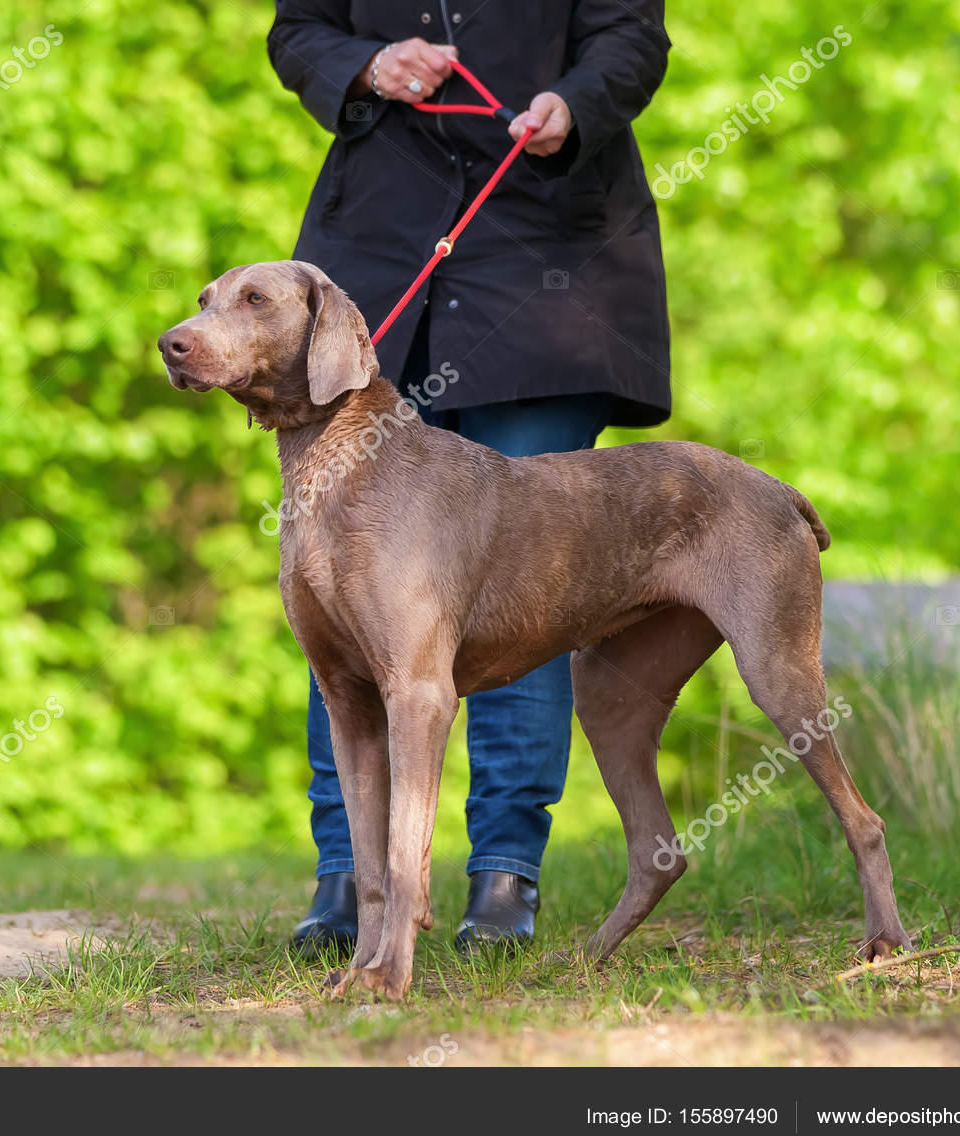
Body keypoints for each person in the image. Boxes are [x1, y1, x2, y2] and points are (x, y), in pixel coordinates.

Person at [267, 0, 673, 950]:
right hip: (377, 254)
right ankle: (351, 875)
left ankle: (503, 874)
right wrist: (368, 65)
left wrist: (571, 103)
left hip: (550, 259)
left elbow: (632, 36)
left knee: (532, 580)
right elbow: (298, 30)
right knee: (350, 585)